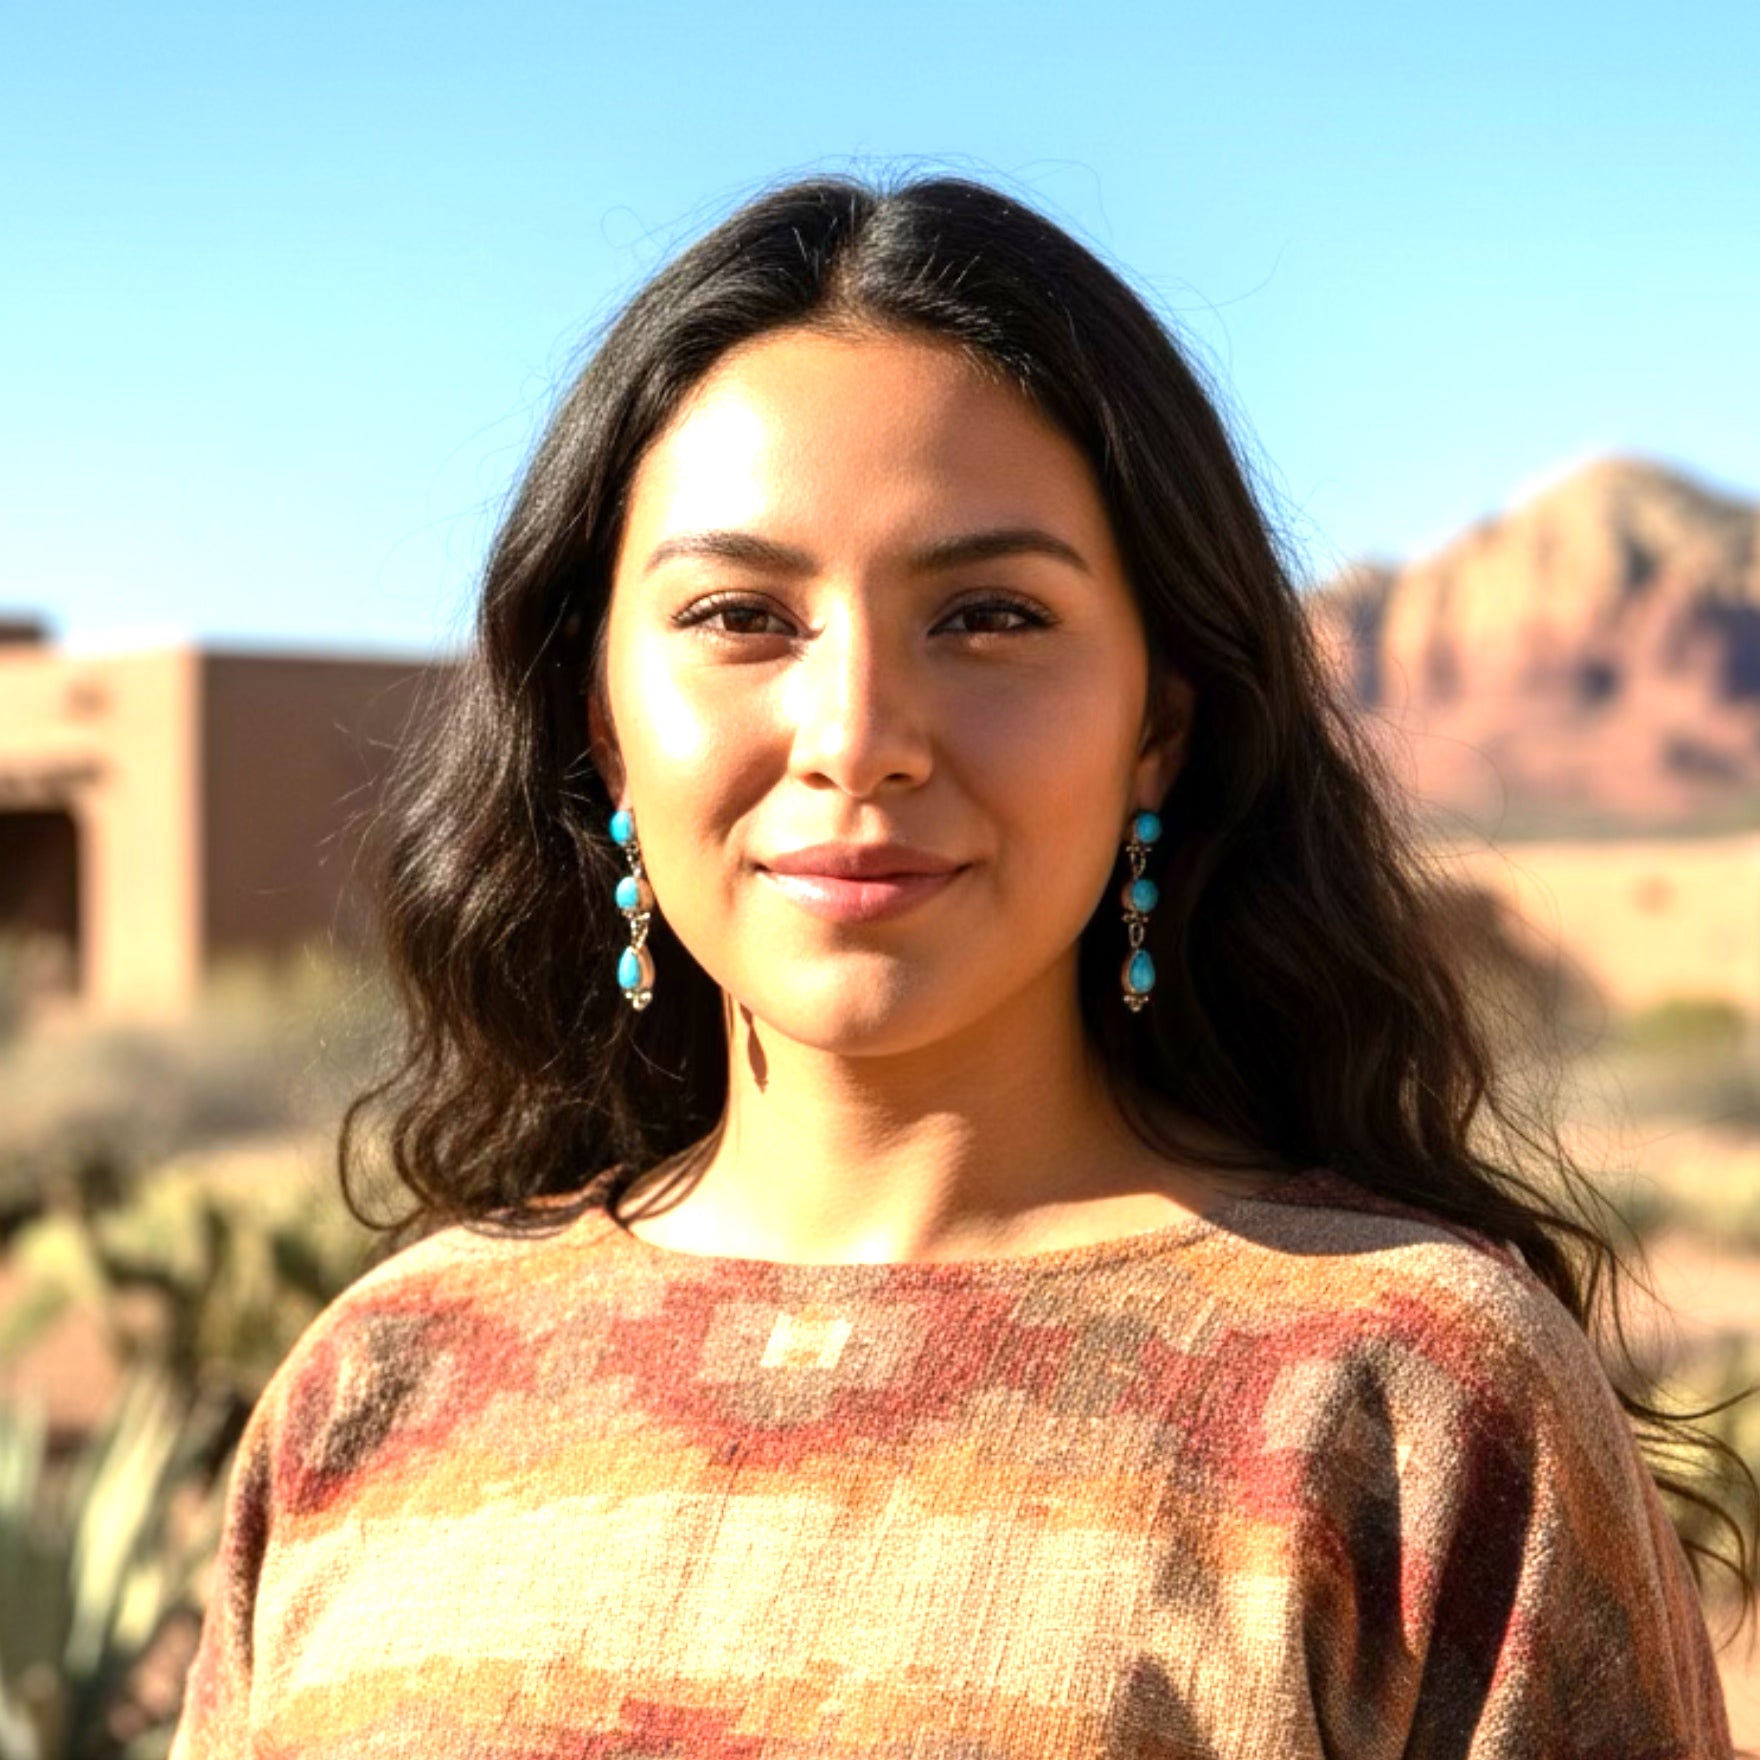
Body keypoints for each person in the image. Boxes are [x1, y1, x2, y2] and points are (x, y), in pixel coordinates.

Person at [170, 174, 1753, 1758]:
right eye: (739, 615)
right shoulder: (380, 1386)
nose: (857, 738)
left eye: (989, 616)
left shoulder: (1409, 1409)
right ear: (601, 721)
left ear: (1159, 727)